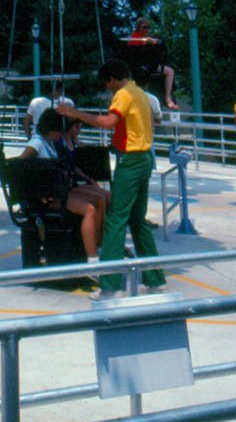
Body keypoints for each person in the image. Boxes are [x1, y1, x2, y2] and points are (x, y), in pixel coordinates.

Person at [58, 59, 166, 295]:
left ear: (112, 79)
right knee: (138, 221)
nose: (107, 89)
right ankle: (155, 279)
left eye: (107, 84)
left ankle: (110, 285)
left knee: (115, 220)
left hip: (130, 160)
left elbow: (108, 122)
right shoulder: (140, 93)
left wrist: (74, 113)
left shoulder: (123, 94)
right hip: (145, 158)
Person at [19, 108, 107, 260]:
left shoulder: (50, 143)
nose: (61, 134)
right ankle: (93, 260)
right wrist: (35, 192)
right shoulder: (36, 143)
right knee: (90, 209)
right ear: (51, 129)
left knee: (100, 200)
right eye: (59, 131)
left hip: (60, 190)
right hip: (50, 197)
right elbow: (19, 165)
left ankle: (97, 245)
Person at [125, 17, 177, 110]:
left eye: (148, 27)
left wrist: (152, 42)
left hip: (151, 65)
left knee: (170, 71)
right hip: (138, 66)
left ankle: (168, 97)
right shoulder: (135, 37)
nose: (147, 30)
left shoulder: (148, 38)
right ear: (138, 28)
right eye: (144, 27)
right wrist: (145, 41)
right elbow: (132, 43)